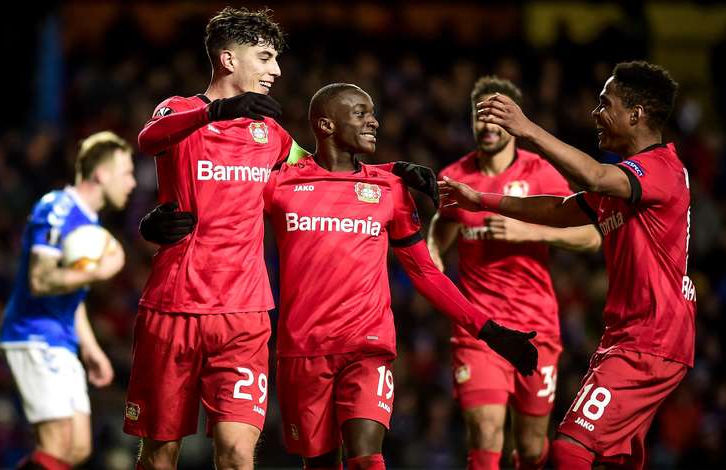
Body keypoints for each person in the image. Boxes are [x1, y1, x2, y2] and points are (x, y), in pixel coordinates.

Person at [124, 8, 436, 470]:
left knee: (235, 452)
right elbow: (150, 138)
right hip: (174, 306)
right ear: (229, 59)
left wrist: (393, 171)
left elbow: (324, 171)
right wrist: (216, 112)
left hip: (245, 314)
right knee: (160, 454)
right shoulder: (180, 111)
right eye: (265, 57)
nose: (277, 70)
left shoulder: (269, 133)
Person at [265, 83, 538, 470]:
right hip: (302, 351)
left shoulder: (389, 189)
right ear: (325, 124)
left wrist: (489, 330)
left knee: (367, 458)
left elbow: (425, 271)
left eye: (372, 112)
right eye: (360, 113)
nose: (374, 120)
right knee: (321, 465)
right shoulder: (280, 185)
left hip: (367, 346)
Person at [442, 61, 695, 470]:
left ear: (636, 115)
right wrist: (482, 199)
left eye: (604, 103)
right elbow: (559, 209)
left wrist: (527, 129)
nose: (595, 113)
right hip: (634, 337)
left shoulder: (659, 169)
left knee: (570, 451)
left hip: (648, 341)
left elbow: (593, 177)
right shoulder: (627, 178)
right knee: (611, 460)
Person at [426, 76, 602, 470]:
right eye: (479, 116)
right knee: (486, 436)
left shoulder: (543, 174)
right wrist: (436, 249)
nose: (488, 126)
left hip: (536, 326)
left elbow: (593, 236)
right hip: (479, 331)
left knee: (531, 445)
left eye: (497, 118)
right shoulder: (456, 175)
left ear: (515, 121)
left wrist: (530, 230)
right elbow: (443, 220)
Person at [0, 131, 136, 470]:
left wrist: (89, 348)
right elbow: (40, 279)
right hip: (33, 333)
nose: (132, 183)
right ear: (101, 174)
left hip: (62, 339)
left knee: (77, 448)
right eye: (127, 173)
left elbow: (72, 296)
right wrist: (98, 273)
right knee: (56, 443)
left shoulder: (89, 222)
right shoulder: (57, 208)